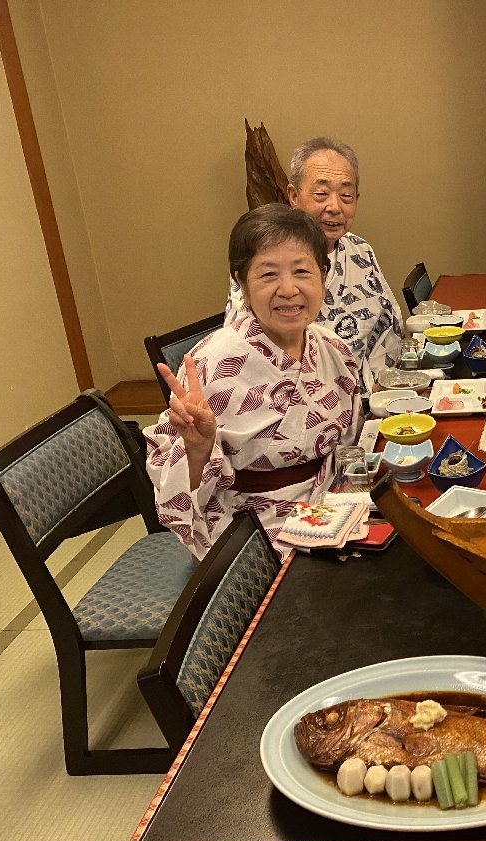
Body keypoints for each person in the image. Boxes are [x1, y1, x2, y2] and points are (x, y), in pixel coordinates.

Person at [149, 204, 363, 559]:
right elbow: (173, 493)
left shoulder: (334, 349)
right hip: (251, 527)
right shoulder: (213, 365)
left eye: (302, 271)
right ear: (242, 285)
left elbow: (352, 442)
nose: (289, 289)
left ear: (323, 276)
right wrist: (198, 449)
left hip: (331, 502)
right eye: (268, 275)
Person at [225, 136, 404, 385]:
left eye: (346, 195)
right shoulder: (265, 258)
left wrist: (383, 385)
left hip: (372, 393)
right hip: (297, 396)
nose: (334, 207)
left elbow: (387, 328)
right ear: (293, 196)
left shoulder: (360, 250)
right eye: (321, 194)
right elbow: (244, 350)